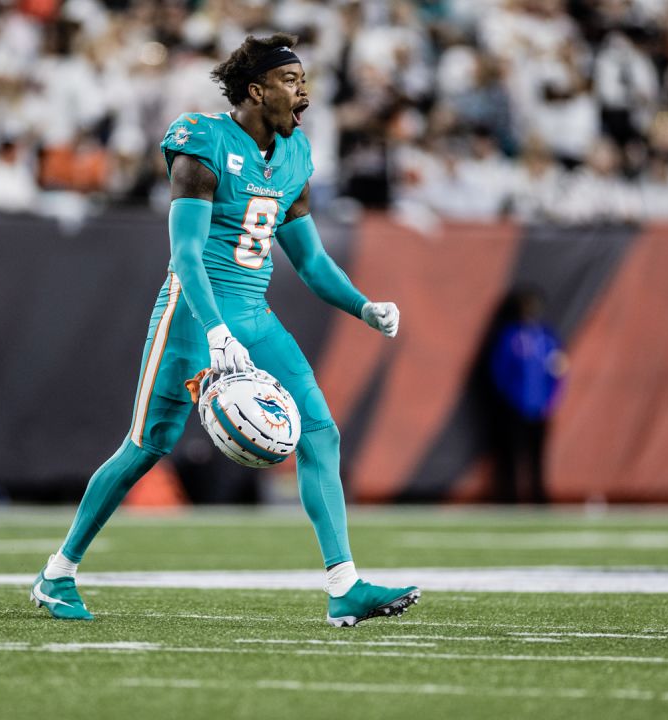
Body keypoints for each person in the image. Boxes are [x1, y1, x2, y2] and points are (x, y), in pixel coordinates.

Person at [31, 35, 420, 627]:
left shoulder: (295, 156)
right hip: (191, 313)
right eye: (291, 79)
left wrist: (364, 307)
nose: (303, 89)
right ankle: (59, 573)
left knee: (321, 433)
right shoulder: (202, 141)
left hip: (255, 315)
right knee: (147, 446)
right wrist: (215, 332)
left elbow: (311, 262)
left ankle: (344, 584)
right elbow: (185, 254)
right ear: (257, 90)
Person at [486, 288, 565, 505]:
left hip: (540, 407)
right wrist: (508, 400)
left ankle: (538, 496)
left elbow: (558, 371)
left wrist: (551, 400)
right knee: (510, 456)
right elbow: (499, 371)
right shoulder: (510, 336)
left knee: (537, 456)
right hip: (514, 407)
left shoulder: (547, 337)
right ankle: (509, 498)